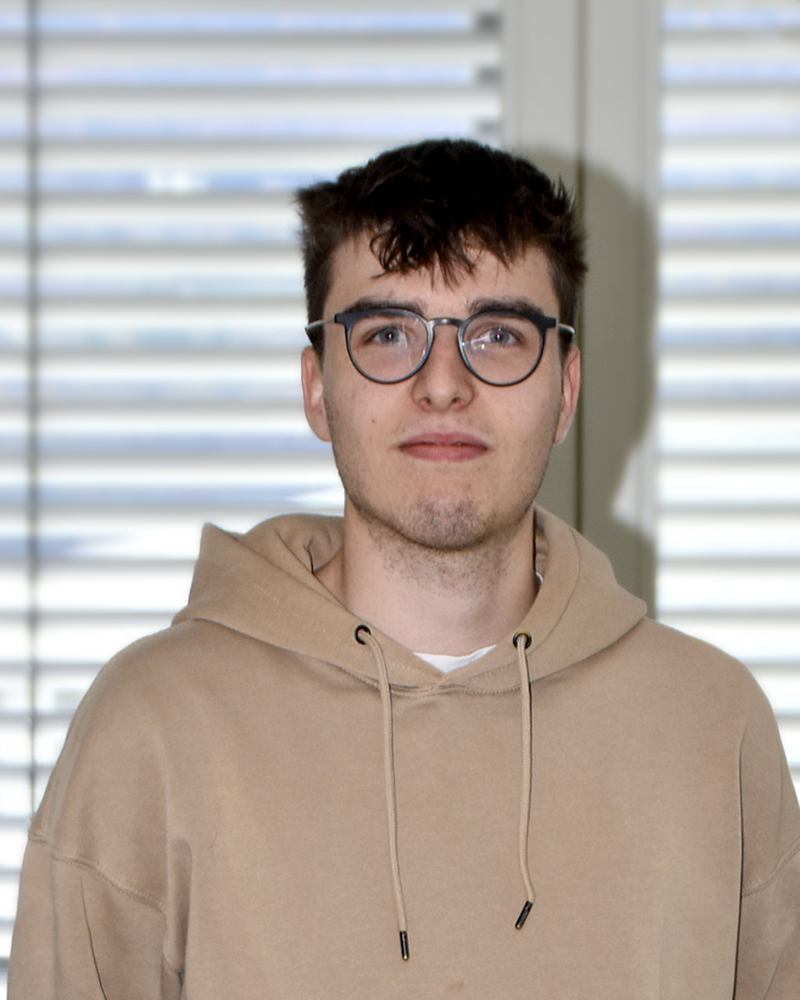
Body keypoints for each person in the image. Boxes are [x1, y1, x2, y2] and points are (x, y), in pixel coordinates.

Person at [9, 139, 800, 999]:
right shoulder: (150, 726)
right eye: (389, 333)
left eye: (498, 334)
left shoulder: (713, 728)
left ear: (566, 390)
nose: (443, 383)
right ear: (317, 386)